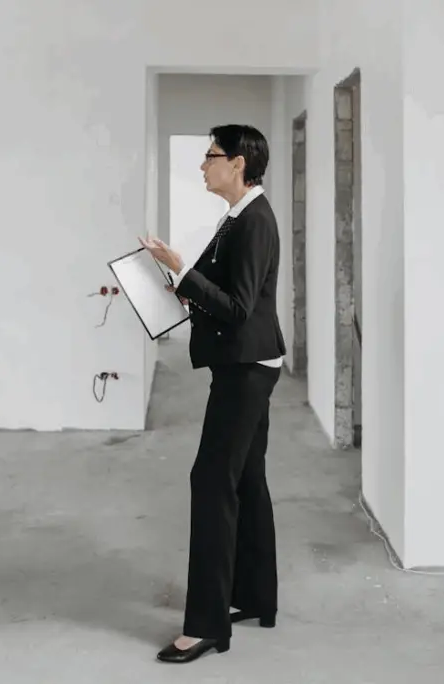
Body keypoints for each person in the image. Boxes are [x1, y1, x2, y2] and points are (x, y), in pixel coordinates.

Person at [139, 124, 286, 664]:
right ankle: (253, 596)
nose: (203, 165)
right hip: (250, 362)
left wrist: (181, 271)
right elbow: (220, 291)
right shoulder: (241, 216)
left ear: (239, 164)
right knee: (246, 477)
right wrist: (174, 274)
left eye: (211, 157)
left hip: (246, 368)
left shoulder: (254, 220)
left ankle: (205, 625)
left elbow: (239, 306)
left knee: (212, 481)